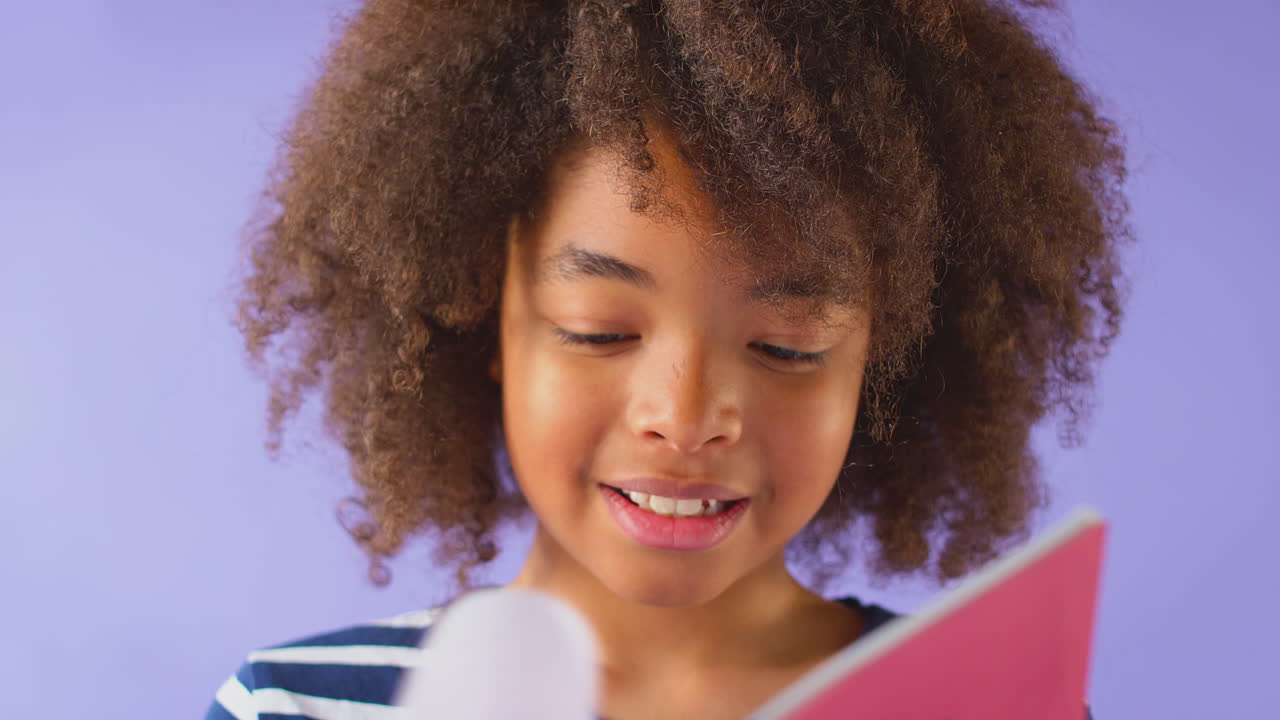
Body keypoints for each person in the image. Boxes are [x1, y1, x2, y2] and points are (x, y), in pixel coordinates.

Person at [207, 0, 1127, 718]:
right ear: (488, 317)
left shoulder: (984, 712)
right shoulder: (300, 708)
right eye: (600, 329)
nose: (684, 416)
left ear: (878, 363)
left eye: (785, 346)